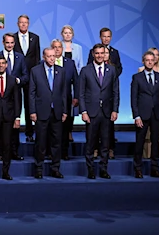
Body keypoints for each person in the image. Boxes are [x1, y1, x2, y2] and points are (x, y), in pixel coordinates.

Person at [80, 44, 119, 179]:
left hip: (107, 112)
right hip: (91, 112)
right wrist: (83, 111)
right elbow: (81, 93)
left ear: (105, 54)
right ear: (92, 54)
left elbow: (115, 92)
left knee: (105, 143)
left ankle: (103, 169)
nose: (99, 56)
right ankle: (90, 169)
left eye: (102, 53)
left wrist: (115, 110)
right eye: (97, 53)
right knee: (90, 143)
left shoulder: (112, 70)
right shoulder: (85, 70)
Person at [29, 47, 67, 179]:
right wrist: (32, 111)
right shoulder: (35, 71)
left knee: (56, 142)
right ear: (44, 57)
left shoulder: (61, 71)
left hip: (57, 112)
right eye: (49, 56)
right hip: (41, 112)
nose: (52, 58)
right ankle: (38, 168)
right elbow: (31, 93)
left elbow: (64, 93)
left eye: (53, 56)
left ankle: (55, 168)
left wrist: (65, 111)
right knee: (41, 142)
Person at [131, 51, 159, 178]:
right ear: (143, 61)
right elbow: (133, 98)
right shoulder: (137, 77)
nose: (150, 62)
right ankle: (138, 169)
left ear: (155, 61)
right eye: (147, 60)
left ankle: (155, 169)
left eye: (152, 60)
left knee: (155, 142)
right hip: (142, 115)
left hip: (156, 114)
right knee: (140, 142)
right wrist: (136, 116)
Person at [0, 33, 29, 160]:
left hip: (15, 97)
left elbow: (26, 76)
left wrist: (17, 81)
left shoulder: (20, 57)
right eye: (7, 42)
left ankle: (14, 152)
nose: (9, 45)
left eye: (12, 43)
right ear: (3, 43)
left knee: (15, 125)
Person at [13, 14, 41, 143]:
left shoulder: (35, 38)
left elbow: (36, 58)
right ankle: (14, 133)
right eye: (21, 22)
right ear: (18, 24)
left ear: (28, 24)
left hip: (31, 76)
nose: (23, 24)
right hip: (16, 77)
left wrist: (36, 76)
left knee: (30, 105)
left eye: (25, 23)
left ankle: (30, 132)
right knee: (15, 104)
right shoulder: (12, 38)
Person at [138, 47, 159, 159]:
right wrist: (137, 114)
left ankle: (156, 163)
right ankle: (143, 159)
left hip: (158, 108)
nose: (153, 59)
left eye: (156, 55)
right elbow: (136, 96)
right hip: (145, 109)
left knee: (158, 135)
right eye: (151, 56)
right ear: (144, 60)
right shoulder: (139, 72)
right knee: (144, 137)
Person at [51, 39, 79, 160]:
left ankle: (64, 152)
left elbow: (76, 81)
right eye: (55, 47)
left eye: (59, 47)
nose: (57, 49)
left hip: (66, 100)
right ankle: (50, 152)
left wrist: (76, 97)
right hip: (51, 101)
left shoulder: (70, 63)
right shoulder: (47, 62)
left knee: (65, 127)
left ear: (63, 49)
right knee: (51, 128)